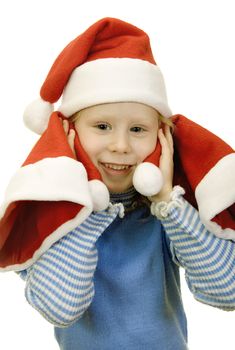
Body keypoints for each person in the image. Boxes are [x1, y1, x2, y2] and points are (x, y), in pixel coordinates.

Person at [1, 17, 235, 350]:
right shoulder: (46, 216)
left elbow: (229, 291)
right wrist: (91, 207)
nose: (121, 146)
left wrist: (168, 201)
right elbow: (60, 308)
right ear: (68, 136)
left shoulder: (168, 214)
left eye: (138, 129)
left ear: (162, 137)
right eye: (102, 126)